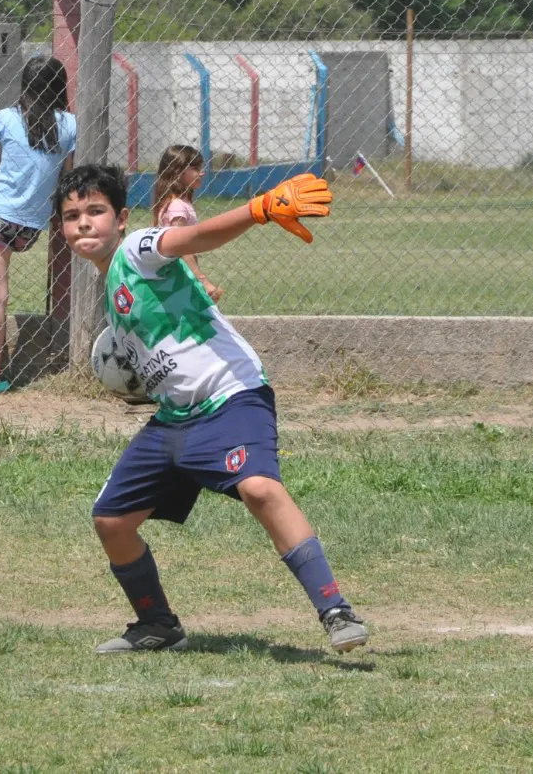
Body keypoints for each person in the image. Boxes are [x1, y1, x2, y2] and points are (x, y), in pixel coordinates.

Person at [55, 163, 369, 655]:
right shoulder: (112, 291)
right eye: (72, 216)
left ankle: (336, 609)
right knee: (112, 520)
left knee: (259, 488)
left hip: (231, 394)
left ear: (121, 218)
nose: (84, 223)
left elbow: (196, 236)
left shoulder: (137, 250)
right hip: (176, 417)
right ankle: (157, 624)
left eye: (96, 211)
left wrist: (259, 210)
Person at [0, 56, 75, 397]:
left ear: (24, 85)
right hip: (31, 225)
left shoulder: (6, 118)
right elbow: (65, 174)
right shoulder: (70, 125)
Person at [151, 144, 222, 301]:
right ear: (177, 171)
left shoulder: (177, 202)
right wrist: (203, 281)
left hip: (178, 277)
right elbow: (182, 248)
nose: (202, 173)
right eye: (195, 168)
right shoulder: (177, 206)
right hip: (178, 277)